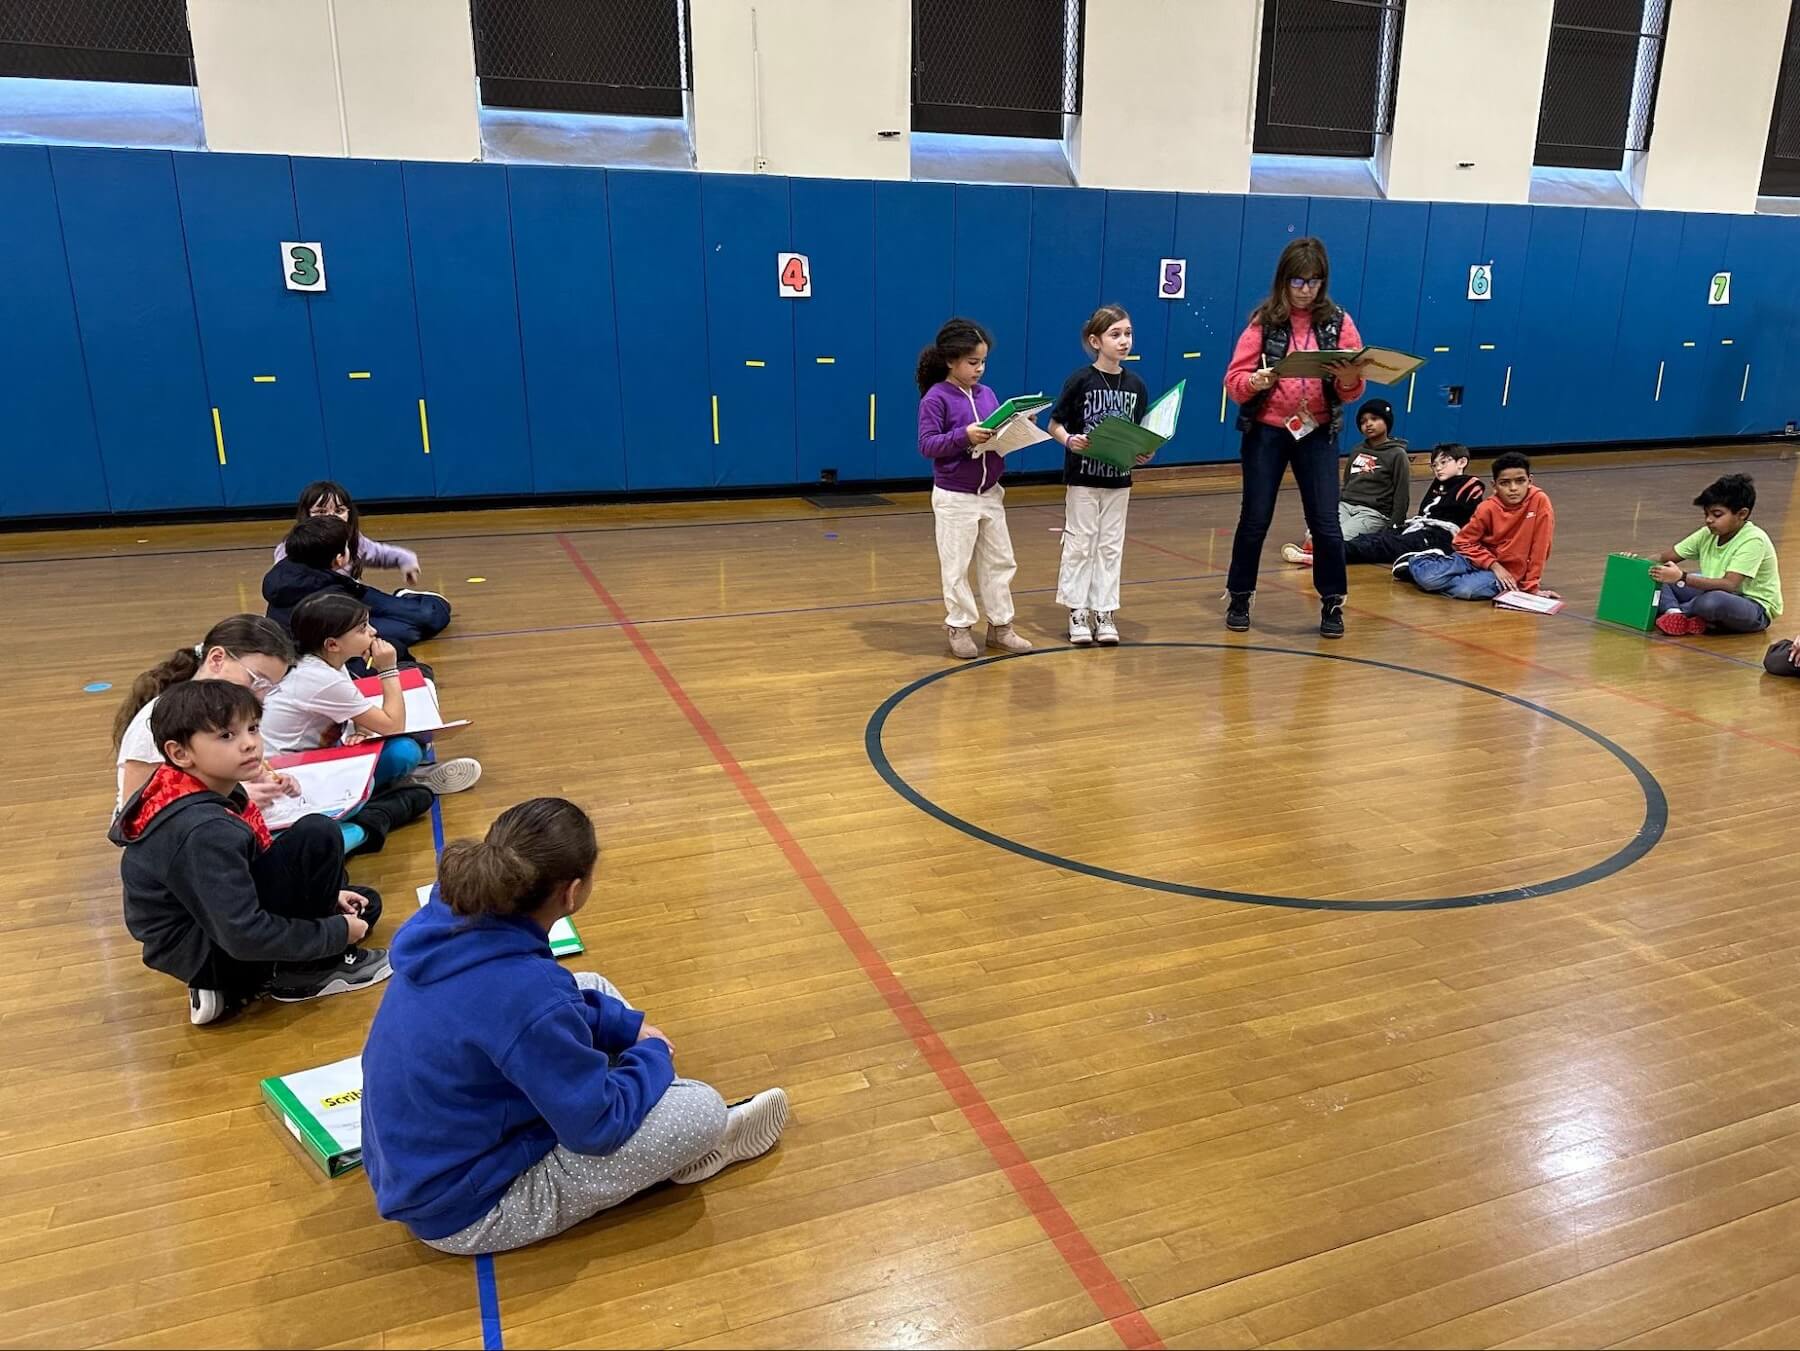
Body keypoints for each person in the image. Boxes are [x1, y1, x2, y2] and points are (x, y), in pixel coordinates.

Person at [361, 797, 790, 1254]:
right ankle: (695, 1142)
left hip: (413, 1163)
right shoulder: (528, 994)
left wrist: (626, 1029)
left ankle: (646, 1117)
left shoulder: (450, 913)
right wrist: (652, 1056)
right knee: (700, 1109)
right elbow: (595, 1129)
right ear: (572, 892)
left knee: (589, 986)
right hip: (465, 1211)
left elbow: (531, 1004)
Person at [108, 680, 391, 1026]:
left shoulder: (192, 787)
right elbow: (243, 935)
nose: (249, 744)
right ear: (180, 753)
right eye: (226, 736)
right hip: (209, 947)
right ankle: (303, 973)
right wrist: (332, 935)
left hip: (208, 925)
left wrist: (329, 897)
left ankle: (247, 978)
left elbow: (249, 873)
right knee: (318, 835)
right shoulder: (203, 830)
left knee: (363, 902)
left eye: (253, 728)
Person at [1222, 236, 1369, 638]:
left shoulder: (1339, 322)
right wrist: (1255, 380)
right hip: (1267, 432)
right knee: (1255, 518)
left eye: (1315, 281)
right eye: (1298, 282)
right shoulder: (1264, 322)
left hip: (1317, 431)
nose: (1306, 290)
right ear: (1283, 281)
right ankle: (1239, 594)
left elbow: (1353, 390)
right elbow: (1234, 384)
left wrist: (1350, 379)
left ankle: (1332, 603)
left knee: (1326, 523)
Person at [260, 592, 479, 855]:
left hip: (309, 763)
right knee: (405, 750)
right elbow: (393, 726)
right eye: (363, 628)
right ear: (332, 644)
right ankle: (397, 787)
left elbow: (355, 713)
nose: (373, 632)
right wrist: (388, 669)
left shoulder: (322, 663)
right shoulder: (320, 677)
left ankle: (397, 785)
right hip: (295, 780)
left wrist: (362, 728)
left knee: (408, 742)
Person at [917, 317, 1032, 660]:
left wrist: (1017, 428)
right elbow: (927, 445)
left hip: (991, 493)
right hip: (955, 497)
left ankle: (1001, 626)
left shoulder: (988, 394)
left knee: (1000, 561)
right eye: (972, 362)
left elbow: (995, 434)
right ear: (951, 361)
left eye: (983, 362)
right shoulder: (936, 398)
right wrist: (963, 435)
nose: (979, 369)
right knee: (956, 566)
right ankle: (960, 625)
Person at [113, 615, 299, 817]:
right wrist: (232, 799)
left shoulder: (231, 710)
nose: (261, 696)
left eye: (270, 688)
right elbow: (132, 815)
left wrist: (262, 779)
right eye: (257, 680)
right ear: (217, 659)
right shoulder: (153, 724)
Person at [1048, 304, 1151, 646]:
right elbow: (1055, 423)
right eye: (1115, 334)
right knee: (1080, 544)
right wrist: (1069, 440)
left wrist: (1145, 451)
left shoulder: (1136, 385)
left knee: (1110, 547)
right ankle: (1077, 610)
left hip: (1118, 480)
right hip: (1083, 479)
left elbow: (1139, 433)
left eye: (1128, 334)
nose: (1124, 341)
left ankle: (1104, 611)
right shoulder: (1080, 380)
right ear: (1095, 340)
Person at [275, 480, 451, 646]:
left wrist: (405, 560)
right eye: (321, 512)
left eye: (339, 511)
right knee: (408, 632)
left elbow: (378, 553)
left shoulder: (351, 539)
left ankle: (411, 598)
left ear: (349, 512)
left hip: (354, 601)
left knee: (428, 617)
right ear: (306, 514)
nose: (331, 517)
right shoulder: (292, 549)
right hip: (328, 617)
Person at [1402, 452, 1555, 601]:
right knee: (1430, 579)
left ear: (1530, 481)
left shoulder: (1540, 501)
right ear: (1494, 486)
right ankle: (1420, 560)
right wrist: (1494, 565)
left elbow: (1541, 546)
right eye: (1505, 483)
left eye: (1520, 481)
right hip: (1475, 558)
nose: (1513, 488)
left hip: (1508, 570)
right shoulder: (1487, 507)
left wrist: (1531, 587)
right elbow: (1462, 541)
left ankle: (1442, 575)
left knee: (1466, 589)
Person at [1647, 474, 1783, 638]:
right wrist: (1632, 561)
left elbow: (1729, 585)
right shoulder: (1708, 533)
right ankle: (1676, 613)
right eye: (1706, 514)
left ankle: (1679, 612)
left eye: (1717, 515)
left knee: (1711, 602)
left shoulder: (1754, 539)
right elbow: (1662, 558)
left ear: (1742, 514)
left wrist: (1681, 576)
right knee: (1657, 573)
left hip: (1752, 607)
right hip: (1711, 591)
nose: (1709, 520)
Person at [1281, 398, 1410, 565]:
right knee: (1316, 532)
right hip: (1346, 506)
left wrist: (1394, 527)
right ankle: (1314, 550)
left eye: (1374, 419)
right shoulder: (1358, 449)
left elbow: (1402, 493)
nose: (1368, 424)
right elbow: (1348, 480)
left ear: (1386, 421)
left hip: (1372, 513)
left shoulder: (1397, 454)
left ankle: (1314, 557)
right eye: (1363, 422)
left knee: (1338, 538)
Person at [1342, 443, 1487, 568]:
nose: (1438, 468)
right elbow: (1424, 511)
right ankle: (1338, 548)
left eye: (1444, 463)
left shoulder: (1471, 484)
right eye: (1435, 465)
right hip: (1420, 528)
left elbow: (1474, 521)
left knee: (1387, 544)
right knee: (1377, 536)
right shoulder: (1439, 483)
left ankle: (1337, 551)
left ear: (1461, 462)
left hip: (1440, 535)